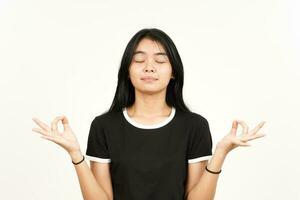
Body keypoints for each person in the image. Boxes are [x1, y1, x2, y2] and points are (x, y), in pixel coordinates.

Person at [32, 28, 266, 200]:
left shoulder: (194, 126)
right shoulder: (104, 126)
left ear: (173, 71)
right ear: (128, 71)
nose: (149, 67)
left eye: (160, 60)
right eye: (139, 60)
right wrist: (76, 155)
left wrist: (220, 153)